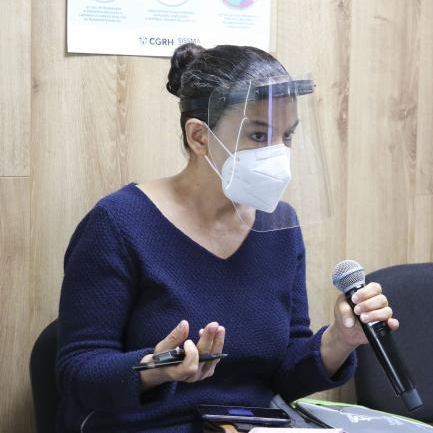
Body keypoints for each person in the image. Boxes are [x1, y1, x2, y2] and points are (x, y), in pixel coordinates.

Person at [55, 43, 400, 433]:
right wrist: (157, 368)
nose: (277, 153)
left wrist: (339, 340)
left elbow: (283, 375)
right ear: (199, 137)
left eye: (286, 136)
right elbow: (77, 372)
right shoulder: (119, 222)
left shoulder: (280, 224)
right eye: (258, 134)